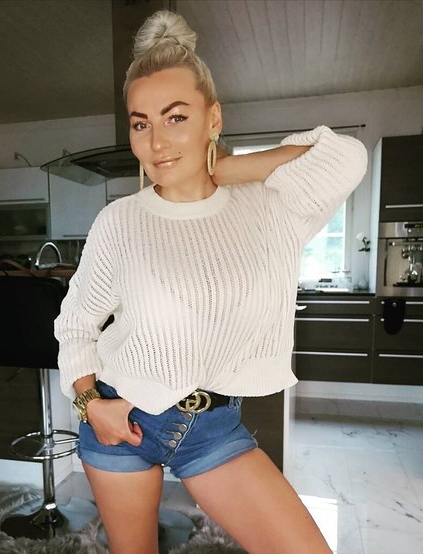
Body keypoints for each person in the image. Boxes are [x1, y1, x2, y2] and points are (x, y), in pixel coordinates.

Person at [54, 10, 367, 554]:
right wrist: (90, 405)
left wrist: (225, 170)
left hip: (212, 429)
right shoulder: (120, 222)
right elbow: (75, 324)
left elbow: (346, 155)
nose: (157, 142)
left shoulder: (271, 208)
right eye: (141, 124)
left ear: (213, 116)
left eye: (176, 117)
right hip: (122, 418)